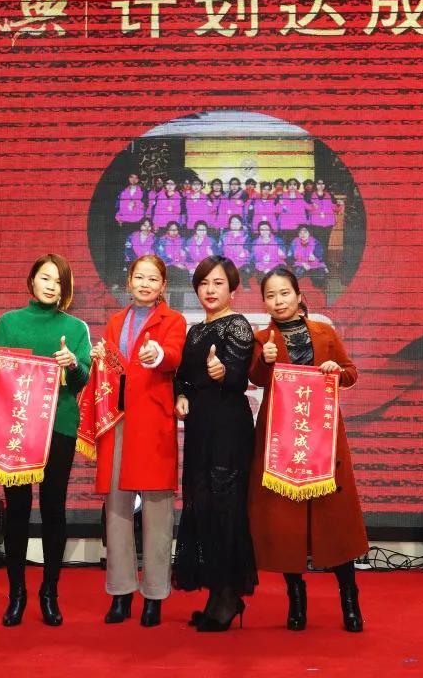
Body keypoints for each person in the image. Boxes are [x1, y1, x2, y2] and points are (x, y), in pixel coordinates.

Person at [249, 268, 368, 632]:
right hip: (282, 439)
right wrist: (265, 360)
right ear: (264, 302)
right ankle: (296, 599)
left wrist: (335, 370)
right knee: (286, 523)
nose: (278, 301)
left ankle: (350, 598)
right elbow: (255, 379)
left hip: (324, 438)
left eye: (284, 293)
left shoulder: (324, 332)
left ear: (299, 296)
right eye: (271, 296)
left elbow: (351, 372)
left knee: (334, 520)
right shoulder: (262, 338)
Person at [0, 255, 91, 628]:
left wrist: (72, 363)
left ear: (65, 290)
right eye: (45, 278)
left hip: (59, 426)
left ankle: (49, 593)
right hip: (18, 427)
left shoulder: (75, 328)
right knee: (17, 509)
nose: (51, 286)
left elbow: (83, 379)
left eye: (58, 282)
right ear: (32, 281)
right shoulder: (8, 322)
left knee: (53, 508)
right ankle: (16, 595)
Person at [92, 255, 186, 628]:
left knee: (157, 511)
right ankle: (120, 593)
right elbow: (110, 369)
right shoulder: (116, 321)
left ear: (163, 285)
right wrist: (100, 359)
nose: (145, 284)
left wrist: (157, 354)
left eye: (153, 279)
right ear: (129, 281)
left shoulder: (173, 320)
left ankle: (155, 596)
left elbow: (174, 356)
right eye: (139, 277)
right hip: (118, 421)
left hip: (153, 422)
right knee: (116, 509)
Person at [173, 256, 257, 632]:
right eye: (204, 283)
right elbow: (182, 377)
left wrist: (223, 372)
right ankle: (216, 594)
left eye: (218, 283)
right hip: (200, 427)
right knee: (203, 506)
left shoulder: (237, 325)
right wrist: (180, 395)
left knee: (226, 508)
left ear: (232, 289)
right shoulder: (194, 331)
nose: (210, 290)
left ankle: (228, 596)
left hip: (228, 427)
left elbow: (238, 377)